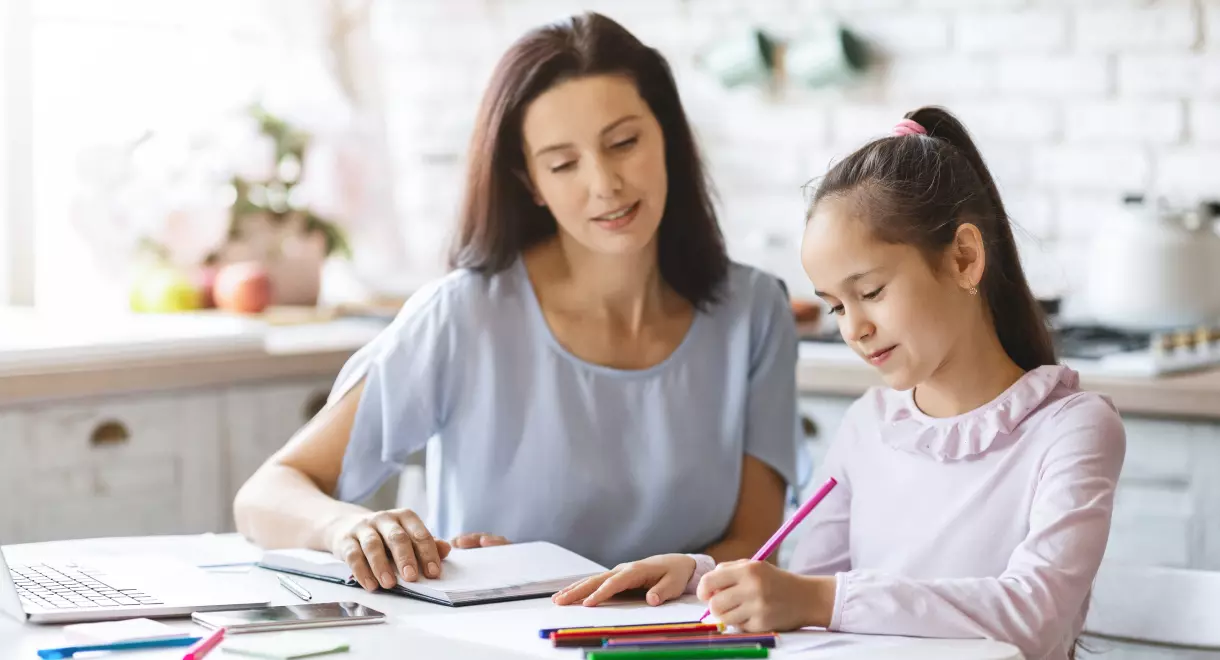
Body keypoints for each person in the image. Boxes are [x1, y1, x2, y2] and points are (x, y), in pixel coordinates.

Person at [233, 12, 802, 594]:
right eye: (562, 163)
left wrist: (695, 573)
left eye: (624, 142)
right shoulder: (463, 316)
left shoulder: (755, 313)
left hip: (686, 640)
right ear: (531, 181)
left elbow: (756, 546)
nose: (605, 183)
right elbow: (266, 494)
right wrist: (351, 527)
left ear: (668, 138)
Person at [554, 107, 1126, 660]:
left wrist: (818, 598)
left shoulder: (1071, 428)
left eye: (871, 291)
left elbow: (1034, 615)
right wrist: (700, 578)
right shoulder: (869, 425)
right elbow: (805, 593)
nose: (855, 328)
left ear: (963, 258)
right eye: (834, 307)